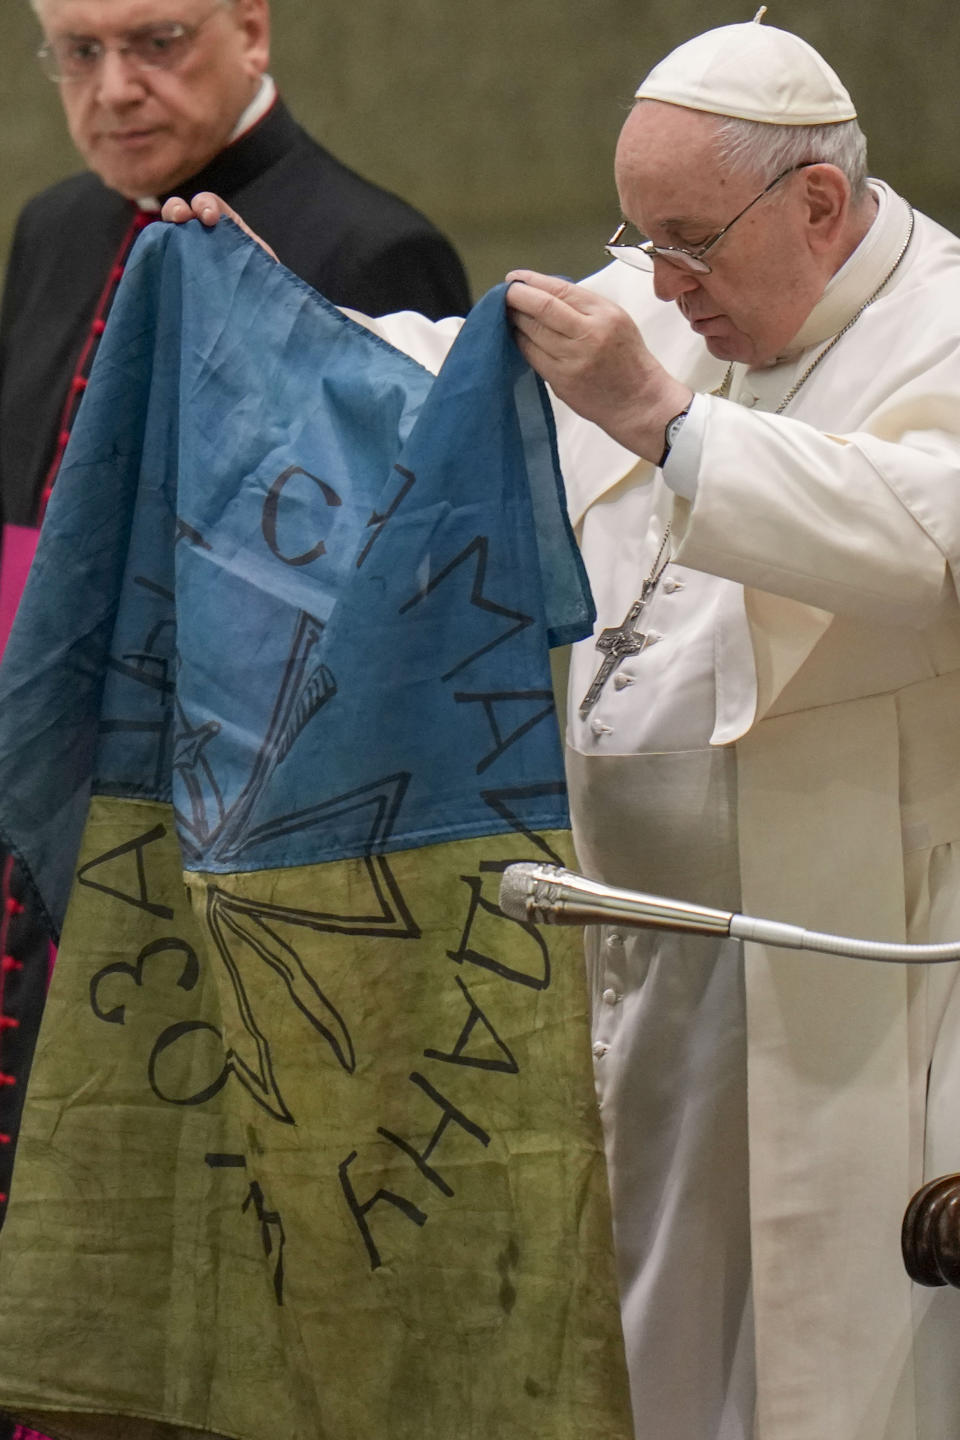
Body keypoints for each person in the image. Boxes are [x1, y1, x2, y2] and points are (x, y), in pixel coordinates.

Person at [168, 15, 960, 1438]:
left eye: (689, 244)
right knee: (645, 1318)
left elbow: (926, 539)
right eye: (638, 237)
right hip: (629, 947)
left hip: (839, 960)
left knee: (825, 1341)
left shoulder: (946, 324)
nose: (658, 284)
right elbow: (444, 370)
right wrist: (267, 308)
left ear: (820, 205)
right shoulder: (675, 289)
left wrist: (666, 418)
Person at [0, 0, 469, 1231]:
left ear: (250, 29)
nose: (113, 90)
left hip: (213, 832)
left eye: (155, 44)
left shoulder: (372, 251)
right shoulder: (53, 228)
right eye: (79, 52)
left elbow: (389, 630)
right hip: (42, 778)